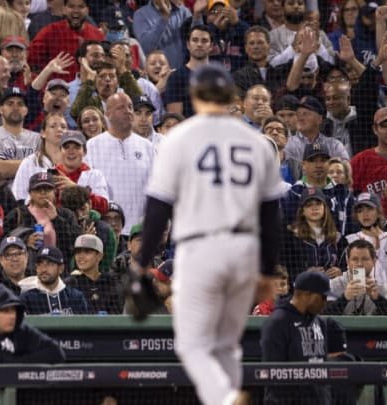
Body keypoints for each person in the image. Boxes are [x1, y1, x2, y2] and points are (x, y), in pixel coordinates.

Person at [128, 63, 283, 405]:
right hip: (245, 249)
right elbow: (272, 216)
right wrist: (268, 271)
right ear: (231, 98)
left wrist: (141, 262)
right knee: (228, 344)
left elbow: (157, 210)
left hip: (201, 248)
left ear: (196, 97)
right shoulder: (257, 143)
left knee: (191, 343)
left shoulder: (179, 138)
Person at [84, 93, 154, 235]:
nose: (128, 111)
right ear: (107, 114)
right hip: (106, 231)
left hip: (139, 231)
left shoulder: (147, 147)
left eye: (130, 107)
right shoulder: (93, 146)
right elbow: (88, 189)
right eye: (121, 108)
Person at [261, 270, 332, 405]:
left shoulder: (320, 322)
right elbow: (274, 378)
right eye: (322, 297)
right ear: (307, 295)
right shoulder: (278, 323)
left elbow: (324, 370)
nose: (325, 302)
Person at [4, 172, 82, 262]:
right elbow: (3, 241)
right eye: (38, 189)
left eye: (47, 189)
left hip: (60, 268)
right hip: (29, 270)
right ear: (30, 193)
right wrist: (25, 241)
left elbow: (76, 241)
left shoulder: (66, 214)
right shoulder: (17, 214)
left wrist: (56, 219)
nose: (43, 192)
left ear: (54, 192)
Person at [0, 87, 40, 180]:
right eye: (10, 104)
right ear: (1, 109)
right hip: (2, 193)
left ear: (26, 110)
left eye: (20, 104)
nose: (15, 108)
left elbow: (46, 167)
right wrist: (34, 165)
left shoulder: (38, 138)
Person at [325, 239, 387, 315]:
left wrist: (378, 298)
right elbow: (324, 317)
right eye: (355, 259)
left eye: (365, 259)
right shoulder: (334, 285)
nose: (360, 264)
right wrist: (344, 298)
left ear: (374, 262)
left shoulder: (382, 288)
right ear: (348, 262)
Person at [19, 245, 88, 315]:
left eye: (49, 264)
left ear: (61, 268)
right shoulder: (26, 299)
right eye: (40, 264)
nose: (43, 269)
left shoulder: (75, 297)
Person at [66, 233, 122, 314]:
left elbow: (117, 315)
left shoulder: (110, 282)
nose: (81, 256)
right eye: (78, 252)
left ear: (99, 256)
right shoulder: (70, 283)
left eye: (87, 252)